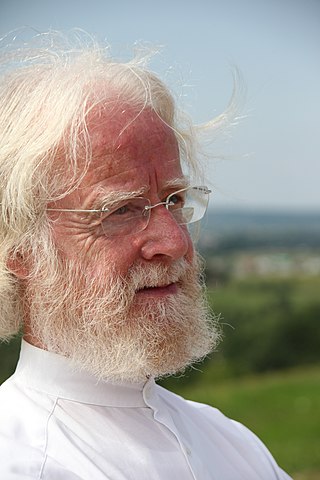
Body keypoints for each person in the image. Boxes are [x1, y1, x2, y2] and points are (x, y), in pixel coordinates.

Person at [0, 31, 291, 480]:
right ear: (19, 249)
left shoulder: (231, 440)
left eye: (174, 200)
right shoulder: (19, 461)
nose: (174, 242)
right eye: (120, 210)